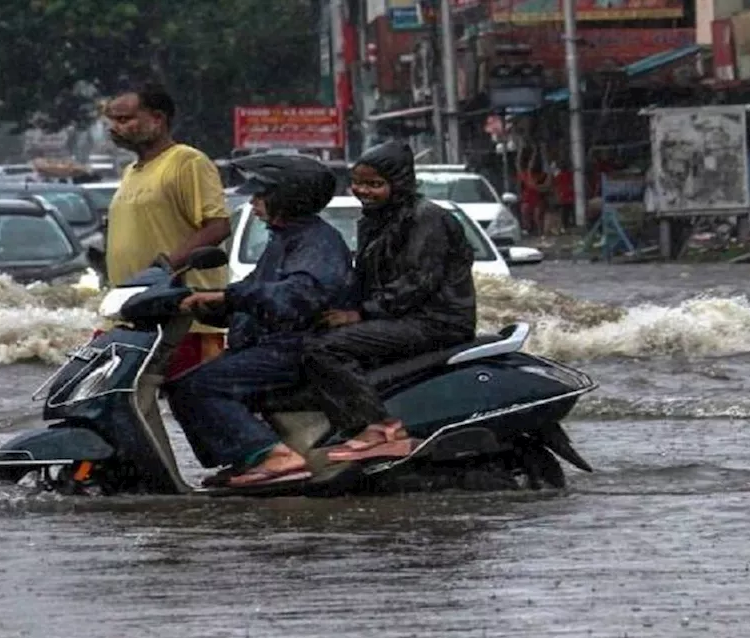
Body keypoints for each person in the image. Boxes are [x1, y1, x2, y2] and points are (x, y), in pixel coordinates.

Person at [166, 154, 352, 487]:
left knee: (200, 386)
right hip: (271, 345)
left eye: (259, 195)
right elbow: (253, 291)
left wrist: (229, 298)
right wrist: (202, 303)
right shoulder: (284, 239)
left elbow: (298, 297)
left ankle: (273, 456)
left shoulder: (317, 243)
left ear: (287, 198)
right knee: (182, 385)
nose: (252, 203)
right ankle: (245, 458)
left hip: (296, 349)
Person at [303, 142, 477, 462]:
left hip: (435, 322)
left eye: (374, 184)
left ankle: (377, 429)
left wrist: (360, 313)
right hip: (402, 317)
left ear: (399, 184)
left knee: (324, 347)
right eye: (358, 182)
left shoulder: (427, 219)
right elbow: (366, 277)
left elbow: (416, 282)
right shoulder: (377, 218)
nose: (363, 191)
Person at [103, 81, 231, 377]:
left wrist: (163, 269)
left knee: (195, 406)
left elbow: (217, 226)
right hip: (130, 315)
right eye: (112, 121)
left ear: (157, 119)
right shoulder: (130, 172)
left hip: (183, 319)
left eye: (125, 119)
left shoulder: (187, 161)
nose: (115, 128)